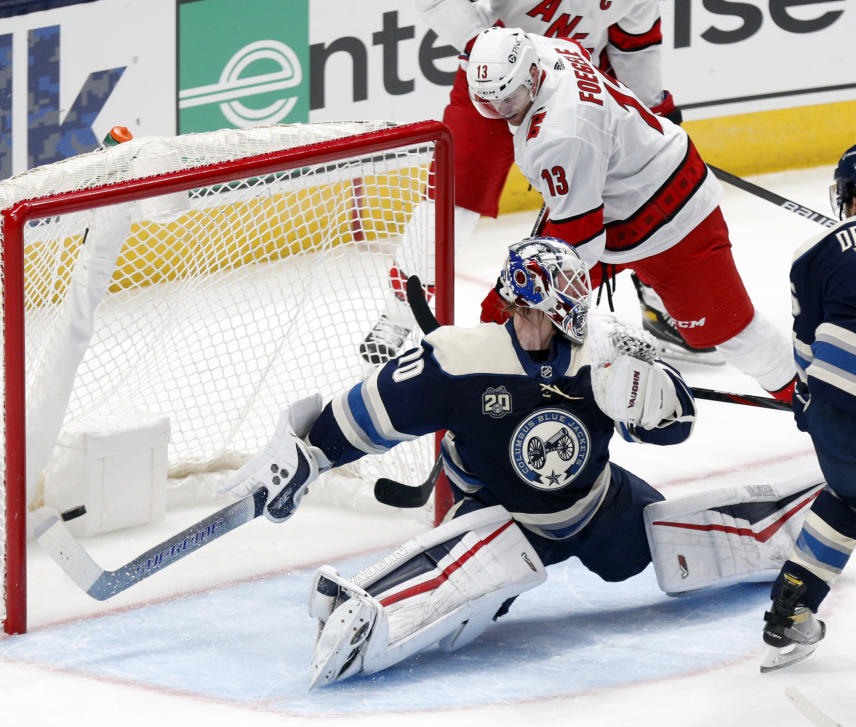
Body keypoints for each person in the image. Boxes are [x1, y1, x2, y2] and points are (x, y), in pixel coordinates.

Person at [219, 236, 815, 687]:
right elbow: (368, 413)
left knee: (661, 550)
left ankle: (795, 519)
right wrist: (312, 452)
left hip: (597, 501)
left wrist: (658, 401)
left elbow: (675, 425)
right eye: (529, 309)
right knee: (480, 588)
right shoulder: (459, 358)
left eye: (551, 311)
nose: (539, 321)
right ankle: (377, 605)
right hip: (499, 514)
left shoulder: (604, 353)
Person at [462, 26, 796, 402]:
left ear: (534, 75)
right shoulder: (540, 47)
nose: (502, 111)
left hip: (672, 220)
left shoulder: (560, 134)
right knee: (525, 301)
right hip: (617, 201)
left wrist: (519, 283)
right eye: (490, 103)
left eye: (509, 100)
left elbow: (579, 248)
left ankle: (814, 400)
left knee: (734, 334)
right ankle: (506, 401)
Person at [360, 0, 702, 365]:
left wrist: (650, 111)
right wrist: (483, 44)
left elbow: (635, 42)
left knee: (632, 193)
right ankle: (397, 316)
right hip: (496, 85)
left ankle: (654, 298)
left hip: (578, 90)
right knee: (453, 199)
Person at [760, 145, 856, 672]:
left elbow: (805, 349)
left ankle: (790, 610)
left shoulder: (812, 251)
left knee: (846, 497)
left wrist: (808, 400)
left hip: (834, 406)